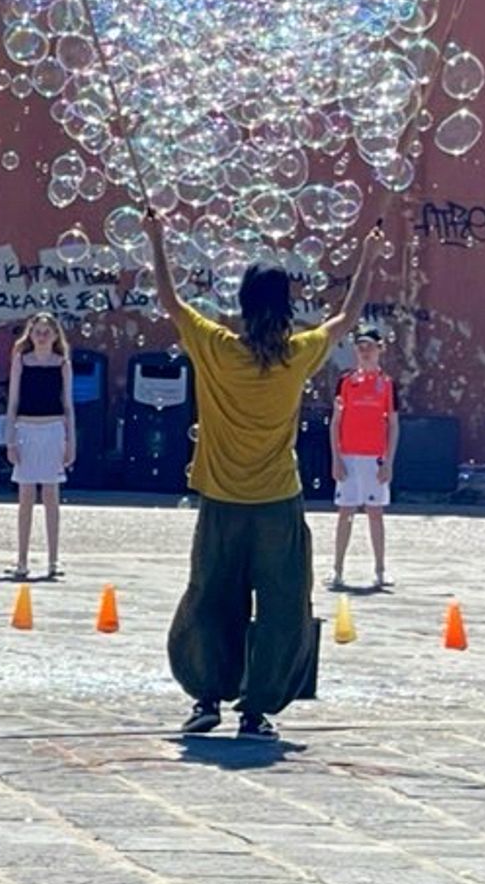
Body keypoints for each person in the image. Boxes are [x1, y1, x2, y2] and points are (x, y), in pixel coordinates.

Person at [147, 211, 382, 739]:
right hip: (278, 502)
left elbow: (171, 300)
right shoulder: (297, 355)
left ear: (243, 304)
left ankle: (207, 696)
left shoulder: (216, 349)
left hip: (221, 502)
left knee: (210, 597)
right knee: (282, 605)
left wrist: (156, 240)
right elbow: (347, 317)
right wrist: (368, 259)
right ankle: (257, 711)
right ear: (286, 306)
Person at [328, 325, 401, 592]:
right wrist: (335, 458)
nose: (364, 351)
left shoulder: (388, 384)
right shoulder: (346, 382)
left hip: (375, 458)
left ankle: (380, 570)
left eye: (369, 345)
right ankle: (337, 570)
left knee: (375, 513)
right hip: (348, 456)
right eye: (360, 346)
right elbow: (335, 423)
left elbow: (393, 424)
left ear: (380, 349)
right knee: (345, 512)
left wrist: (389, 461)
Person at [4, 312, 76, 580]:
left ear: (56, 336)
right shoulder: (21, 361)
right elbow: (12, 404)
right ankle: (21, 560)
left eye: (47, 332)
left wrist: (71, 443)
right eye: (37, 332)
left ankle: (53, 560)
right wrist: (10, 440)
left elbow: (68, 406)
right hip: (26, 428)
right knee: (25, 498)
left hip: (53, 429)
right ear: (30, 335)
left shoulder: (62, 364)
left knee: (51, 496)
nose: (42, 336)